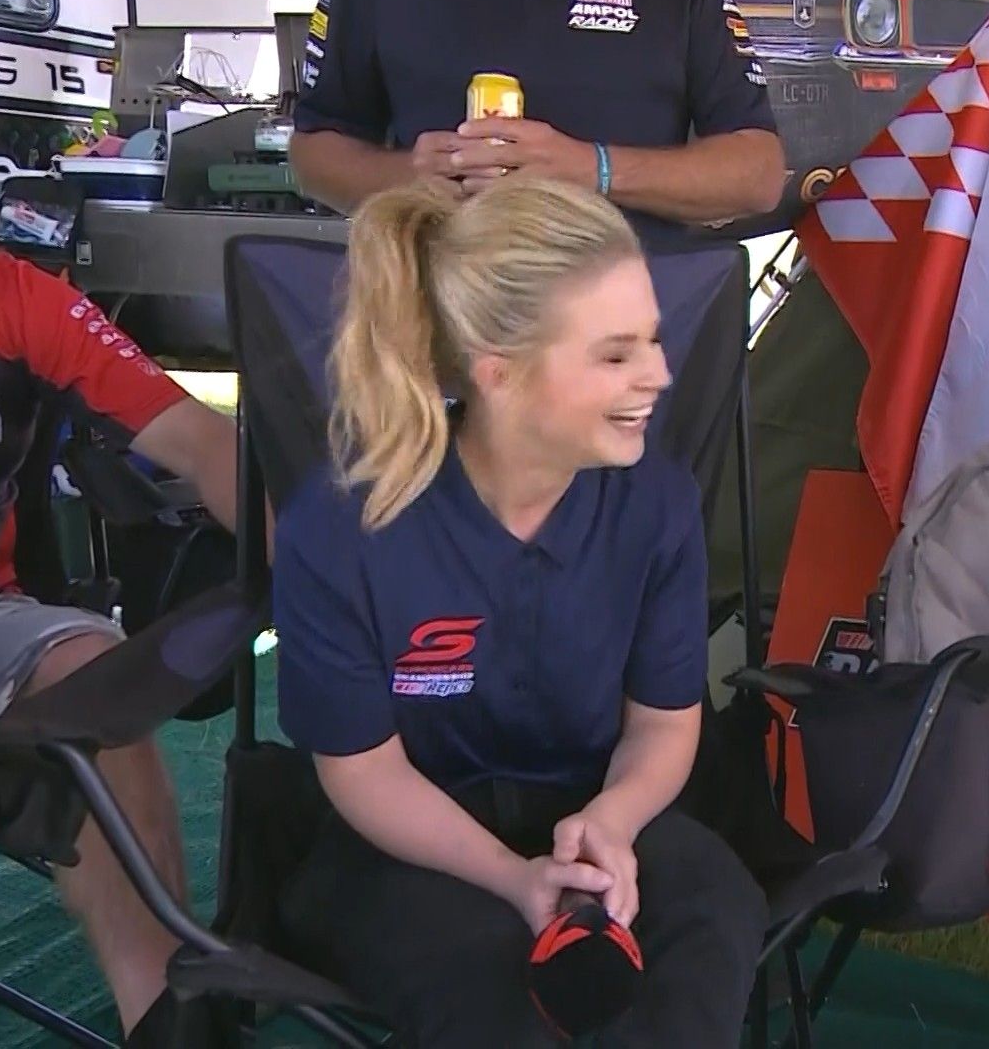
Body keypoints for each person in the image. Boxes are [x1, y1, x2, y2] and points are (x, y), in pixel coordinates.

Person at [271, 174, 767, 1047]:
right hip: (409, 839)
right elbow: (365, 774)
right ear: (497, 372)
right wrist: (513, 877)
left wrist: (610, 825)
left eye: (653, 341)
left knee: (711, 912)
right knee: (494, 981)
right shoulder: (344, 524)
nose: (659, 375)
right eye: (615, 355)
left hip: (596, 804)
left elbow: (663, 724)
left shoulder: (656, 504)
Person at [0, 245, 241, 1039]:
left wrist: (323, 572)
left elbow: (201, 440)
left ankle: (168, 1024)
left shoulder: (10, 294)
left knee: (98, 681)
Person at [287, 0, 786, 249]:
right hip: (438, 323)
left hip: (618, 332)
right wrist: (411, 179)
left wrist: (594, 169)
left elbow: (757, 173)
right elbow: (313, 153)